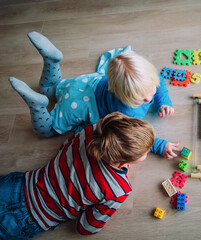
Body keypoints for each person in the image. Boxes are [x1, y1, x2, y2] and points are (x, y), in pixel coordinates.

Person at [9, 31, 178, 159]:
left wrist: (163, 101)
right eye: (142, 98)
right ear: (122, 97)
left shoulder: (142, 80)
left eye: (152, 89)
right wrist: (161, 146)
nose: (149, 99)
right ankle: (37, 106)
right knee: (46, 130)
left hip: (83, 84)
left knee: (51, 88)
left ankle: (52, 61)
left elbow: (160, 82)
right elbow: (132, 137)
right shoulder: (127, 113)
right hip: (79, 105)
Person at [0, 112, 155, 239]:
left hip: (18, 184)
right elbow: (86, 228)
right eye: (145, 152)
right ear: (122, 163)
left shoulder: (90, 131)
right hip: (28, 218)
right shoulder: (117, 190)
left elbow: (64, 148)